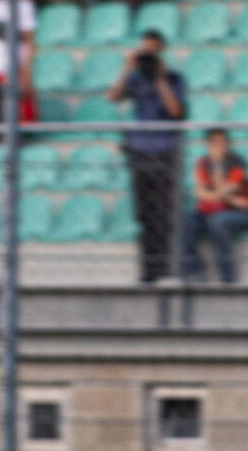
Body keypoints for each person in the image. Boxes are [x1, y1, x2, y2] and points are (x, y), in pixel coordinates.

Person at [107, 29, 186, 284]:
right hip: (140, 150)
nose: (148, 56)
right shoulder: (136, 78)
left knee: (166, 212)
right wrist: (126, 68)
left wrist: (160, 79)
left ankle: (168, 268)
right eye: (144, 51)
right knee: (144, 214)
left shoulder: (174, 78)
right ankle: (148, 270)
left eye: (152, 50)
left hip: (164, 150)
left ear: (162, 50)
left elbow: (176, 112)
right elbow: (114, 97)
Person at [180, 128, 248, 283]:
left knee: (218, 222)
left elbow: (227, 189)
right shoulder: (203, 163)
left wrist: (216, 174)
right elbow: (199, 192)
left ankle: (227, 278)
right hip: (212, 211)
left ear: (228, 144)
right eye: (214, 143)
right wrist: (219, 196)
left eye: (223, 142)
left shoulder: (237, 163)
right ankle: (195, 270)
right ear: (208, 145)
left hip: (242, 213)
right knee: (185, 221)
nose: (219, 146)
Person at [0, 0, 39, 127]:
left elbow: (29, 38)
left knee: (16, 105)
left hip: (16, 61)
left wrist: (27, 67)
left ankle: (18, 140)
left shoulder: (24, 6)